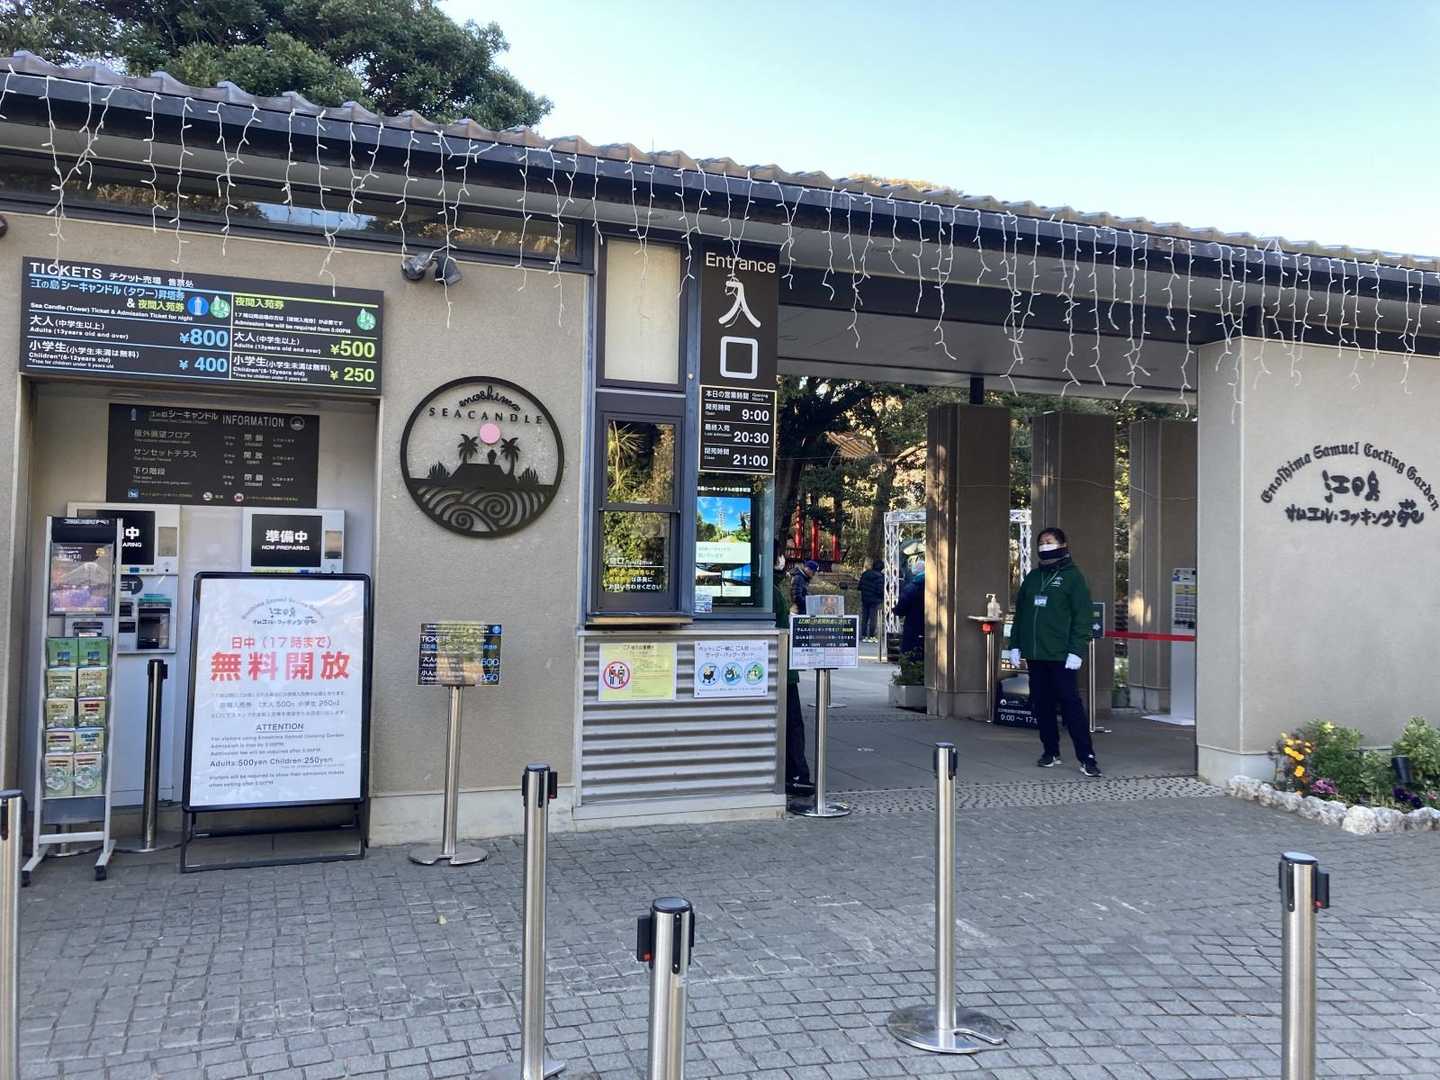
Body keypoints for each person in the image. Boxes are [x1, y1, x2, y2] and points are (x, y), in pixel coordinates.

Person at [1006, 527, 1102, 777]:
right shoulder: (1033, 577)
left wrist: (1076, 650)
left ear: (1063, 544)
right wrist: (1014, 644)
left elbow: (1083, 616)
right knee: (1042, 704)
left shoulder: (1073, 577)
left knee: (1071, 705)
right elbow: (1021, 615)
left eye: (1049, 541)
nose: (1044, 546)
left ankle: (1087, 757)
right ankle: (1050, 751)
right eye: (1041, 542)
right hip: (1036, 654)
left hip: (1061, 655)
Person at [775, 543, 813, 796]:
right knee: (792, 724)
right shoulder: (772, 592)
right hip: (783, 670)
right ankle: (797, 775)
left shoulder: (771, 587)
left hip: (779, 669)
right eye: (781, 556)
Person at [893, 559, 925, 662]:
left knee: (909, 654)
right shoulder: (935, 586)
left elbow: (901, 607)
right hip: (929, 627)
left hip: (912, 625)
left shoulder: (911, 588)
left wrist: (895, 610)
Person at [858, 559, 885, 641]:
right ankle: (872, 635)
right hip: (875, 600)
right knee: (873, 618)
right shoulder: (881, 576)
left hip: (865, 598)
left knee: (865, 617)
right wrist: (882, 597)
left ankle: (863, 635)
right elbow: (880, 590)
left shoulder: (865, 574)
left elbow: (859, 586)